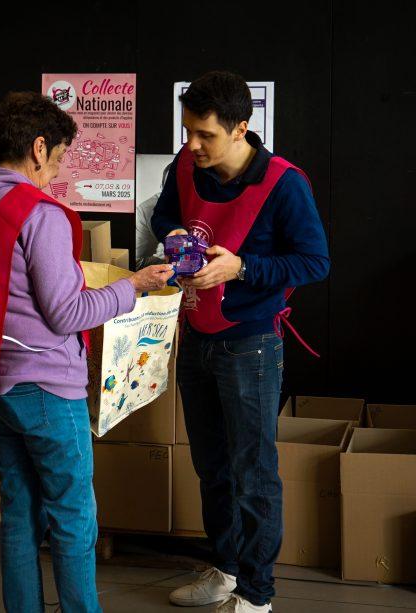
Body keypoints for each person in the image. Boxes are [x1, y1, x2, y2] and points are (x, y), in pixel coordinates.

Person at [0, 91, 174, 613]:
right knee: (74, 516)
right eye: (57, 159)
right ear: (38, 148)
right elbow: (67, 314)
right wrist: (135, 286)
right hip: (45, 389)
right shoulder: (42, 215)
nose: (55, 173)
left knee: (19, 510)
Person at [151, 71, 330, 613]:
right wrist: (174, 235)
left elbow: (315, 261)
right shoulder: (185, 165)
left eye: (205, 134)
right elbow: (163, 214)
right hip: (196, 333)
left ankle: (257, 596)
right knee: (212, 468)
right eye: (188, 131)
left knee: (254, 474)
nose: (193, 145)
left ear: (241, 129)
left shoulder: (284, 183)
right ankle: (226, 569)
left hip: (251, 344)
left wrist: (242, 267)